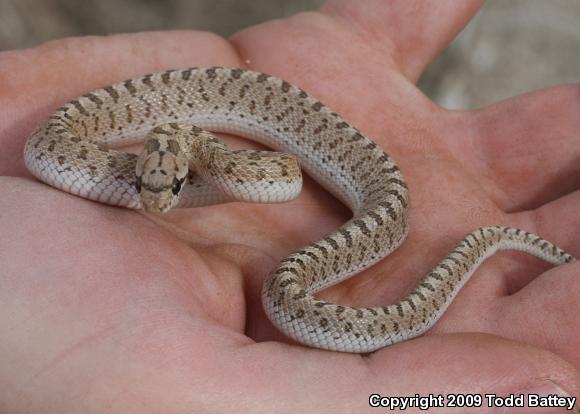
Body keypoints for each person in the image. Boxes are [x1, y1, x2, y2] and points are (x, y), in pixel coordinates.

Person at [0, 0, 578, 411]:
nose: (156, 204)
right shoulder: (123, 144)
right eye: (156, 189)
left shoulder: (221, 154)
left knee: (378, 208)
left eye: (165, 190)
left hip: (281, 173)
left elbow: (274, 174)